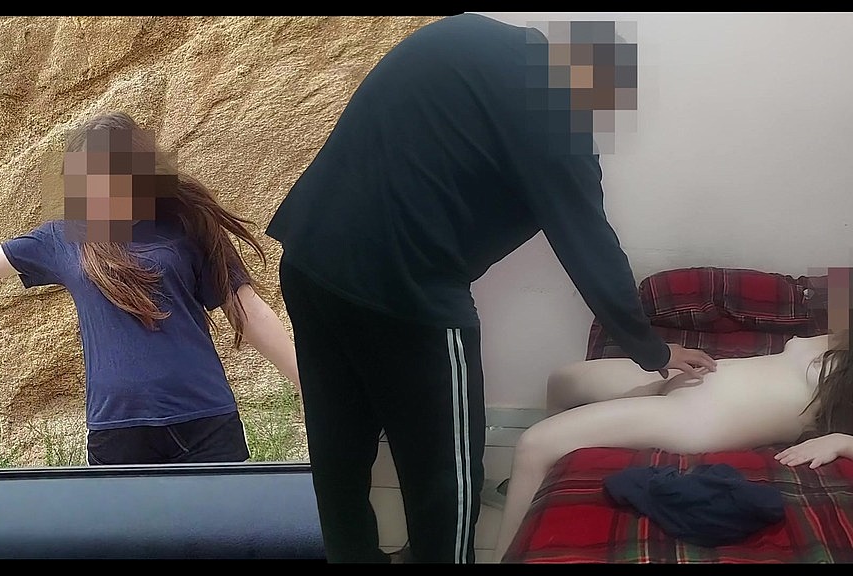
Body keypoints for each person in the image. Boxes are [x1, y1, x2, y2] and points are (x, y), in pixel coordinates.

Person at [264, 13, 717, 564]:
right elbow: (588, 241)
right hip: (409, 296)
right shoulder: (556, 111)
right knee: (446, 476)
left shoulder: (464, 35)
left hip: (311, 259)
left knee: (339, 446)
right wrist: (653, 351)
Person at [0, 111, 301, 466]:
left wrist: (310, 384)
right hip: (117, 430)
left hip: (205, 420)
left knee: (224, 543)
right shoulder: (64, 238)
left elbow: (248, 311)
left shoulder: (186, 227)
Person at [493, 329, 853, 558]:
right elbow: (838, 284)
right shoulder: (842, 326)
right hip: (692, 374)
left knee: (533, 445)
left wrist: (840, 441)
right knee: (561, 380)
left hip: (703, 415)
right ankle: (530, 491)